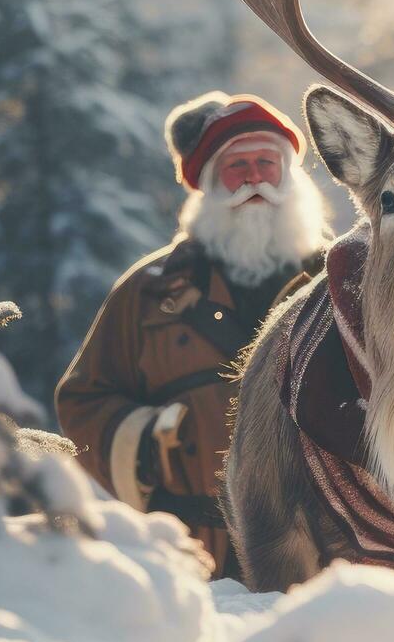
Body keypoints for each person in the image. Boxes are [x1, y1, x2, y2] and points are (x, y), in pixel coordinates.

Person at [56, 92, 331, 578]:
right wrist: (149, 446)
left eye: (267, 163)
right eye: (236, 166)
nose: (253, 179)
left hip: (325, 550)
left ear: (291, 177)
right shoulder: (146, 291)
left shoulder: (339, 282)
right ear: (206, 182)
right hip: (191, 554)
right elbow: (81, 400)